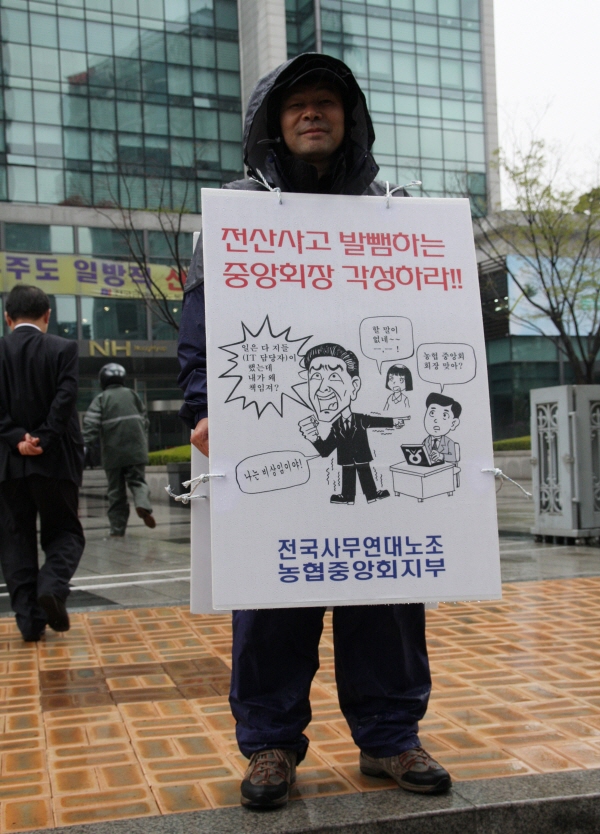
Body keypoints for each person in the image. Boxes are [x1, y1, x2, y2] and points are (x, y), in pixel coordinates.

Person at [178, 53, 451, 808]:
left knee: (388, 593)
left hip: (377, 470)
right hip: (269, 443)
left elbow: (436, 316)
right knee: (269, 599)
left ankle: (391, 737)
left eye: (327, 102)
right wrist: (202, 407)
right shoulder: (234, 215)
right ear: (273, 122)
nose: (312, 114)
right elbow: (201, 322)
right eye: (297, 104)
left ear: (348, 119)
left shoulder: (394, 210)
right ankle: (269, 744)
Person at [0, 285, 85, 642]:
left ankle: (29, 622)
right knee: (65, 531)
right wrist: (42, 439)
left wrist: (18, 438)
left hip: (8, 464)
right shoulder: (63, 348)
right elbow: (65, 399)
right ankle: (51, 585)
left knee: (15, 538)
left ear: (8, 318)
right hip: (55, 461)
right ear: (47, 315)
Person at [299, 342, 404, 504]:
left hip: (361, 456)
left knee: (365, 475)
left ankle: (372, 495)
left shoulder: (360, 419)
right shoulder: (336, 426)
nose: (322, 388)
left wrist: (394, 422)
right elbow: (326, 450)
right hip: (346, 459)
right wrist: (313, 438)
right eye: (316, 376)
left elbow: (375, 421)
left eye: (334, 376)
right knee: (348, 477)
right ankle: (347, 497)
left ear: (354, 387)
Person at [82, 363, 155, 537]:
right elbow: (145, 421)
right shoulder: (133, 395)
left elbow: (91, 425)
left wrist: (85, 445)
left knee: (116, 492)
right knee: (138, 482)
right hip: (136, 451)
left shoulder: (101, 398)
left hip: (112, 454)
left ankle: (117, 529)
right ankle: (143, 505)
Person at [422, 392, 462, 464]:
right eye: (432, 413)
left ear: (453, 423)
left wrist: (441, 456)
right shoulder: (426, 441)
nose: (436, 420)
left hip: (447, 469)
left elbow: (454, 457)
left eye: (444, 415)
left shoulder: (449, 443)